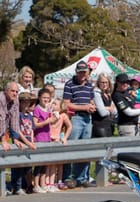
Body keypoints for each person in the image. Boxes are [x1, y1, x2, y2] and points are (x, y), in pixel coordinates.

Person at [63, 60, 97, 188]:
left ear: (87, 72)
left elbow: (91, 100)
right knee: (71, 148)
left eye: (84, 72)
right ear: (76, 72)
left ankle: (82, 178)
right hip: (76, 118)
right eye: (80, 72)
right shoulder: (69, 84)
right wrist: (84, 107)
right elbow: (66, 104)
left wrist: (92, 107)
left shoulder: (89, 85)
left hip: (88, 118)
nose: (82, 74)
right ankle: (67, 177)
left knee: (85, 149)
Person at [10, 92, 37, 195]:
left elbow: (32, 129)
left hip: (28, 141)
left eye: (28, 102)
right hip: (20, 142)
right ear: (20, 103)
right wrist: (27, 142)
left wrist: (32, 141)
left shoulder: (29, 115)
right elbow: (18, 130)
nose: (26, 105)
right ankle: (17, 187)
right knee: (18, 166)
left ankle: (29, 186)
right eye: (24, 102)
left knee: (28, 167)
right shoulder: (18, 115)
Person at [32, 88, 57, 193]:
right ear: (39, 98)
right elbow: (35, 124)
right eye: (44, 98)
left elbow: (51, 121)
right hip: (39, 138)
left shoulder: (48, 109)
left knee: (44, 163)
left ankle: (43, 184)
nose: (46, 100)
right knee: (38, 163)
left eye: (48, 98)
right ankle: (36, 185)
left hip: (47, 138)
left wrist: (54, 117)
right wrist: (47, 121)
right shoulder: (37, 109)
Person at [1, 82, 26, 152]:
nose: (15, 93)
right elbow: (1, 119)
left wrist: (15, 139)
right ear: (6, 91)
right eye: (12, 91)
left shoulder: (16, 100)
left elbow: (14, 120)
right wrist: (3, 140)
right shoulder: (1, 99)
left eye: (16, 92)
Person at [92, 73, 118, 138]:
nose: (104, 84)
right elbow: (102, 113)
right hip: (100, 127)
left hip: (109, 126)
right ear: (98, 83)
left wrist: (105, 108)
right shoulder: (96, 94)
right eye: (102, 82)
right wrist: (109, 108)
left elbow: (115, 111)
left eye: (106, 82)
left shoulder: (108, 95)